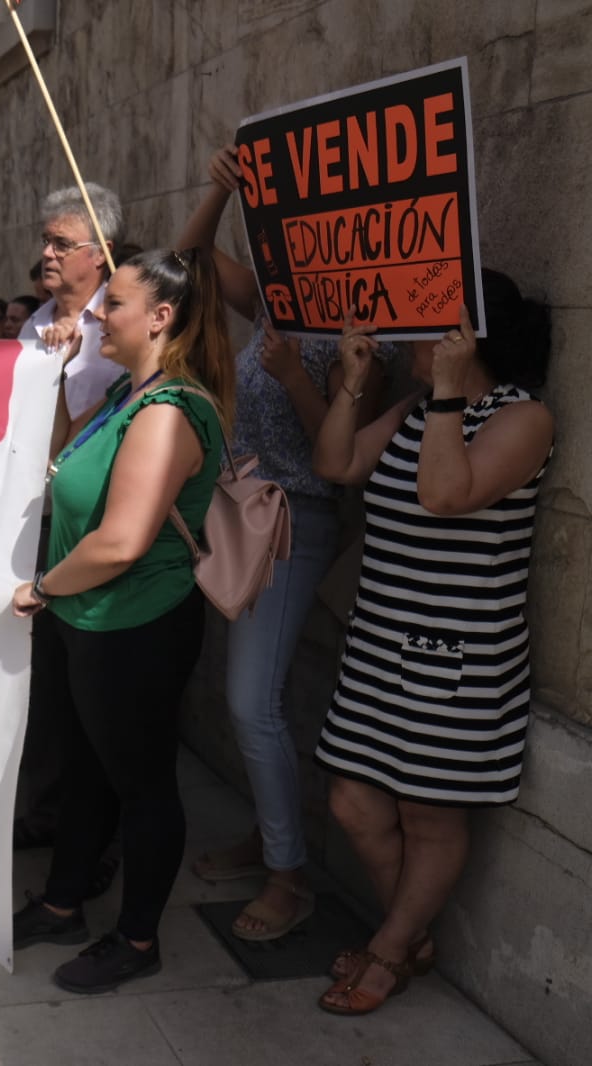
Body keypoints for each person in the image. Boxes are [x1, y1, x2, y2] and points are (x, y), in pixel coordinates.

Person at [309, 271, 554, 1015]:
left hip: (459, 658)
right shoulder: (419, 411)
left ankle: (390, 949)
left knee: (429, 813)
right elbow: (337, 466)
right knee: (354, 800)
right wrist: (354, 384)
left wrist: (448, 395)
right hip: (380, 645)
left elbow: (446, 495)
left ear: (464, 339)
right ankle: (409, 934)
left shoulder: (524, 417)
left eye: (424, 325)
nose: (408, 338)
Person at [175, 144, 392, 942]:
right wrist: (220, 192)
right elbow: (189, 263)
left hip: (297, 523)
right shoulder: (275, 302)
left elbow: (335, 456)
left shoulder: (364, 330)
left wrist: (300, 373)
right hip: (243, 520)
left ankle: (289, 875)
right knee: (255, 703)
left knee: (250, 704)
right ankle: (274, 843)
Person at [10, 247, 234, 994]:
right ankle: (63, 901)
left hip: (133, 627)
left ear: (161, 318)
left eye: (116, 304)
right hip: (91, 619)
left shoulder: (170, 411)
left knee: (141, 787)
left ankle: (137, 939)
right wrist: (57, 371)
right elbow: (57, 468)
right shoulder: (124, 398)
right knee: (86, 774)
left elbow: (121, 540)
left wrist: (43, 586)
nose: (98, 313)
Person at [13, 182, 133, 853]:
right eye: (46, 240)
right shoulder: (35, 323)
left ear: (100, 252)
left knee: (94, 696)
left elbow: (96, 428)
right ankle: (49, 813)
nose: (47, 252)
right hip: (37, 527)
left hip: (93, 536)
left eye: (61, 242)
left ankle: (91, 840)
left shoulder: (116, 327)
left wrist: (60, 373)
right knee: (47, 688)